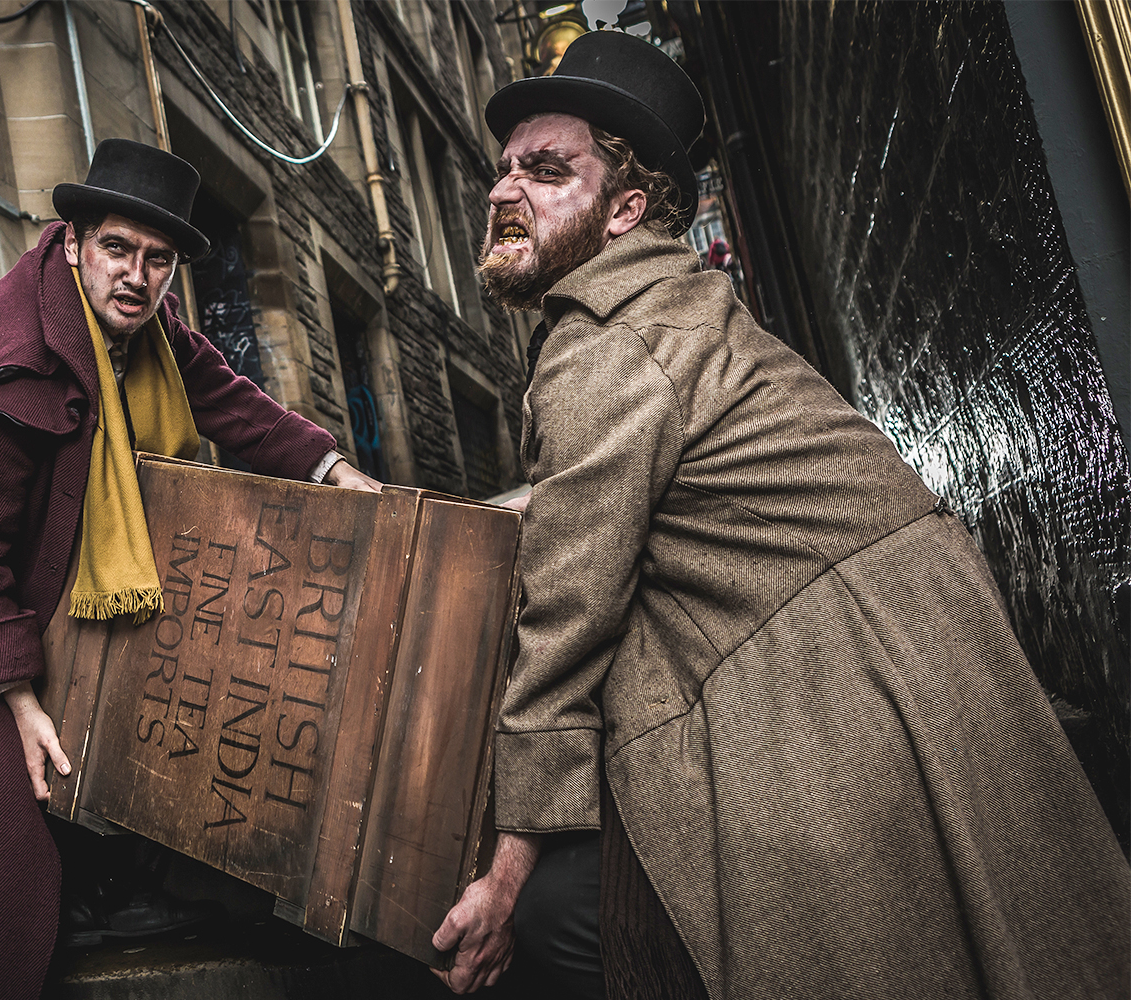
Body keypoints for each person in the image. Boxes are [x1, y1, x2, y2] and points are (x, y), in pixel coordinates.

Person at [431, 30, 1130, 999]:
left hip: (839, 679)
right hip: (915, 650)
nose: (507, 191)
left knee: (560, 924)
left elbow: (565, 621)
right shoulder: (676, 304)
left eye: (548, 172)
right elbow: (632, 479)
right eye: (505, 170)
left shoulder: (604, 342)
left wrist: (505, 874)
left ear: (627, 209)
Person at [0, 138, 379, 1000]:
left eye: (158, 260)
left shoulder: (150, 330)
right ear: (72, 244)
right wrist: (18, 696)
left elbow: (228, 401)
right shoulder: (6, 349)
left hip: (9, 545)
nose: (136, 275)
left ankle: (94, 889)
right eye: (116, 249)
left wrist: (332, 468)